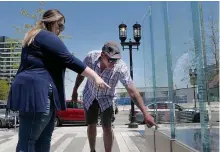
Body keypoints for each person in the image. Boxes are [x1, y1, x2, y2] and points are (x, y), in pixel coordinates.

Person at [6, 9, 110, 152]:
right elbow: (69, 59)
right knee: (29, 141)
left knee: (43, 140)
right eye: (60, 26)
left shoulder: (35, 38)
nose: (61, 30)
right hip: (38, 93)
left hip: (40, 92)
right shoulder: (44, 36)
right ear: (52, 22)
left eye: (63, 27)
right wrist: (96, 76)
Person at [72, 41, 157, 152]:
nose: (113, 63)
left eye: (116, 60)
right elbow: (81, 74)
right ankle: (92, 150)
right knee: (91, 124)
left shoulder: (121, 67)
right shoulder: (91, 57)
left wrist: (145, 113)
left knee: (107, 127)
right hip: (90, 94)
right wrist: (75, 90)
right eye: (110, 60)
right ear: (102, 55)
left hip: (107, 98)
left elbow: (132, 91)